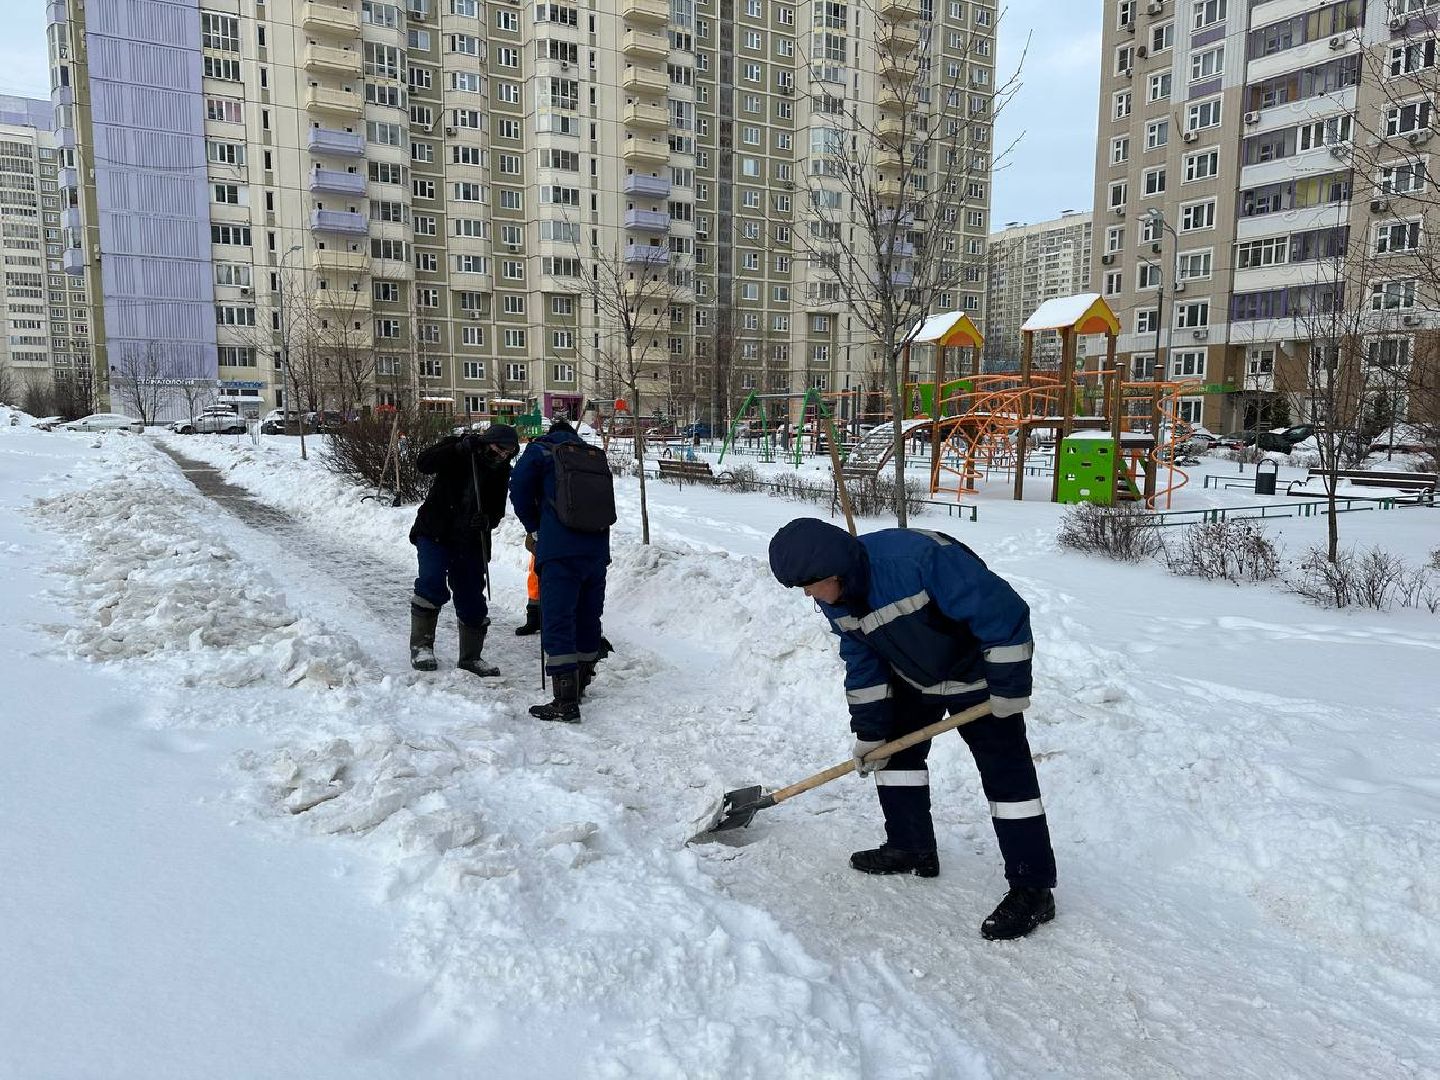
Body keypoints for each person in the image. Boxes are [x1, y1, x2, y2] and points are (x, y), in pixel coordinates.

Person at [767, 517, 1058, 941]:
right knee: (895, 755)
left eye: (811, 586)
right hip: (914, 678)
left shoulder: (920, 559)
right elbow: (862, 661)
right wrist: (870, 731)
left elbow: (1002, 612)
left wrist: (1009, 686)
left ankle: (1033, 888)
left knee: (1009, 782)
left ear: (836, 573)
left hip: (978, 679)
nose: (810, 596)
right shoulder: (837, 598)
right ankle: (911, 847)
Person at [509, 417, 613, 722]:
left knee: (558, 617)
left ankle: (565, 700)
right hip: (596, 549)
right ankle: (581, 682)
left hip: (559, 549)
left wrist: (535, 528)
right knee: (587, 615)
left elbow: (517, 489)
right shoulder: (593, 455)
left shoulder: (540, 450)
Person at [408, 424, 519, 675]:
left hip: (470, 540)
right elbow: (423, 463)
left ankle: (471, 657)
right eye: (500, 449)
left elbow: (497, 509)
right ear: (487, 441)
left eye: (508, 452)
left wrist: (487, 520)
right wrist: (457, 450)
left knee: (471, 596)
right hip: (435, 531)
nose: (503, 456)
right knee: (431, 583)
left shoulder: (501, 471)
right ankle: (421, 647)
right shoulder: (458, 449)